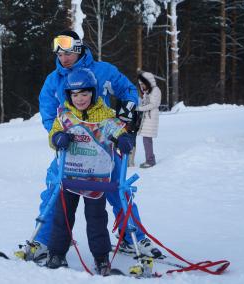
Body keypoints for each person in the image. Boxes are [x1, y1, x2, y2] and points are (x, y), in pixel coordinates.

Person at [24, 30, 161, 262]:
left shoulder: (103, 71)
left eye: (68, 52)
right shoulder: (53, 80)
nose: (63, 58)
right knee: (55, 188)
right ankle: (44, 240)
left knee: (119, 188)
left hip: (103, 146)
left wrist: (124, 120)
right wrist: (58, 136)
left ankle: (132, 237)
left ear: (78, 49)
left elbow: (128, 91)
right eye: (59, 54)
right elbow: (48, 113)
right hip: (72, 149)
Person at [45, 68, 135, 275]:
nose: (80, 99)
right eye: (75, 95)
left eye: (84, 94)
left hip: (95, 178)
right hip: (69, 177)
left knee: (96, 219)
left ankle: (101, 257)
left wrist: (123, 138)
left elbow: (117, 131)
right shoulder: (65, 117)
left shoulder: (105, 117)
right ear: (69, 96)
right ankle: (56, 253)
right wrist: (58, 138)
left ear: (93, 93)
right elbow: (53, 134)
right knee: (63, 216)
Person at [137, 71, 162, 168]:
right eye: (140, 84)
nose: (142, 86)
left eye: (143, 83)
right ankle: (149, 159)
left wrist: (140, 108)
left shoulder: (155, 90)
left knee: (147, 140)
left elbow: (153, 104)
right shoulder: (147, 92)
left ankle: (150, 160)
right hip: (147, 118)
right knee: (146, 139)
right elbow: (145, 103)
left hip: (151, 118)